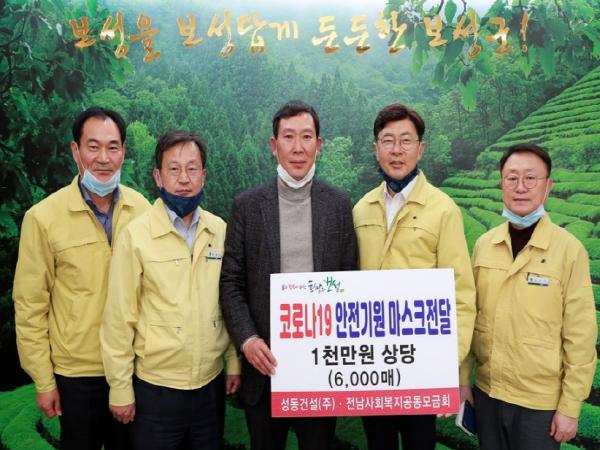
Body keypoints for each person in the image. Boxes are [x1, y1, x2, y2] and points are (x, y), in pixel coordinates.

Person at [219, 100, 357, 450]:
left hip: (320, 370)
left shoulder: (339, 204)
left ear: (319, 145)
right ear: (273, 144)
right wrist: (247, 340)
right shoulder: (247, 206)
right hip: (264, 367)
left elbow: (349, 279)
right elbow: (231, 282)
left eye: (306, 137)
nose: (298, 148)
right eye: (288, 137)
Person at [12, 107, 150, 449]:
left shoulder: (142, 209)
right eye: (93, 146)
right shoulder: (43, 218)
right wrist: (44, 381)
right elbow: (29, 306)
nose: (103, 158)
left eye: (113, 147)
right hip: (76, 375)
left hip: (133, 368)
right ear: (76, 150)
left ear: (123, 152)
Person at [100, 130, 241, 450]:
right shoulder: (136, 236)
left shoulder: (219, 230)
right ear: (158, 177)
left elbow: (229, 299)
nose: (184, 179)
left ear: (204, 176)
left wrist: (233, 361)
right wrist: (120, 388)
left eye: (192, 168)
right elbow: (119, 318)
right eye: (174, 169)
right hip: (156, 389)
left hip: (209, 386)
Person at [352, 103, 476, 450]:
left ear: (420, 149)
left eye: (406, 141)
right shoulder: (361, 209)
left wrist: (450, 366)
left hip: (422, 365)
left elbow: (461, 295)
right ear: (375, 148)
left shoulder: (443, 209)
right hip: (373, 366)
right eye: (388, 140)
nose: (397, 150)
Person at [459, 143, 597, 449]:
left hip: (540, 404)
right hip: (488, 392)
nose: (520, 187)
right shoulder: (484, 245)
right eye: (512, 178)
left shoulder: (569, 250)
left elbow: (581, 334)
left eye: (530, 178)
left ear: (548, 186)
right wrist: (462, 380)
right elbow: (470, 315)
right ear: (501, 184)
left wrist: (570, 406)